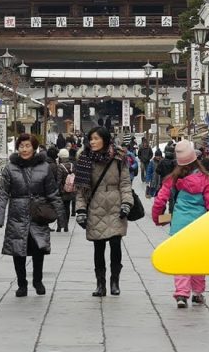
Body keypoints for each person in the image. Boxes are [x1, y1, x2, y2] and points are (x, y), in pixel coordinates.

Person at [151, 139, 209, 308]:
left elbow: (160, 200)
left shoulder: (173, 178)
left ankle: (181, 294)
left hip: (180, 224)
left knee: (181, 259)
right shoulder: (205, 179)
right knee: (197, 259)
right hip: (200, 226)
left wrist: (157, 217)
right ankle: (197, 293)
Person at [0, 134, 63, 296]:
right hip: (17, 213)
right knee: (18, 250)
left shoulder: (44, 167)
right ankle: (21, 284)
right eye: (21, 146)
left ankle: (37, 280)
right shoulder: (10, 168)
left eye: (28, 146)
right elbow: (3, 193)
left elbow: (52, 192)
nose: (24, 149)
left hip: (38, 213)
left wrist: (61, 215)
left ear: (34, 147)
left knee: (39, 248)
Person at [75, 126, 133, 297]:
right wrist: (80, 210)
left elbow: (125, 183)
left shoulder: (118, 157)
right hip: (95, 206)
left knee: (116, 244)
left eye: (96, 138)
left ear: (105, 139)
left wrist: (127, 203)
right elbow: (81, 189)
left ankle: (115, 280)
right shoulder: (84, 159)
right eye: (90, 138)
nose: (92, 142)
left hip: (115, 204)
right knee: (98, 247)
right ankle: (100, 283)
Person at [55, 148, 75, 232]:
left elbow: (59, 181)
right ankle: (66, 226)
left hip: (62, 191)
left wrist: (57, 190)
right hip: (70, 190)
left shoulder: (60, 166)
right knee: (67, 208)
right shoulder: (72, 165)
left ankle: (59, 227)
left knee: (60, 209)